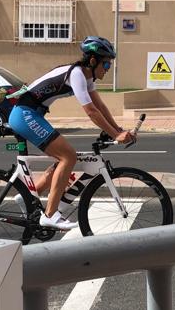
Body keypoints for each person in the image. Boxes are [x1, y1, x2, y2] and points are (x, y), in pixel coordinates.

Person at [8, 36, 136, 231]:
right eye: (106, 64)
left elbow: (100, 107)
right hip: (24, 114)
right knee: (68, 156)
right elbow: (91, 111)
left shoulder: (87, 77)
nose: (108, 69)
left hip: (31, 113)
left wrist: (117, 130)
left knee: (65, 158)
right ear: (92, 61)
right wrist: (115, 134)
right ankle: (50, 215)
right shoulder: (76, 74)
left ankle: (28, 196)